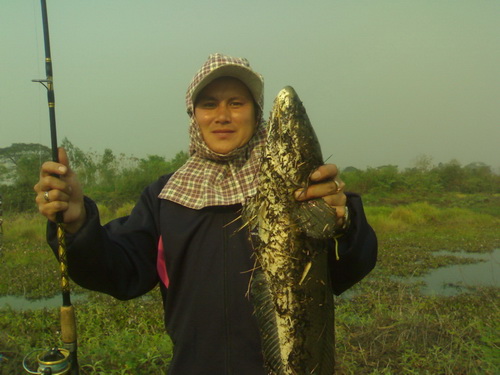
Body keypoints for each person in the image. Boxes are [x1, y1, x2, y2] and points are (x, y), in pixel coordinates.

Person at [34, 53, 377, 374]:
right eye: (209, 104)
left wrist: (344, 222)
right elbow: (121, 272)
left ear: (258, 114)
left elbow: (349, 267)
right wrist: (78, 222)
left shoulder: (298, 187)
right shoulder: (165, 196)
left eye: (236, 103)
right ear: (194, 115)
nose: (222, 115)